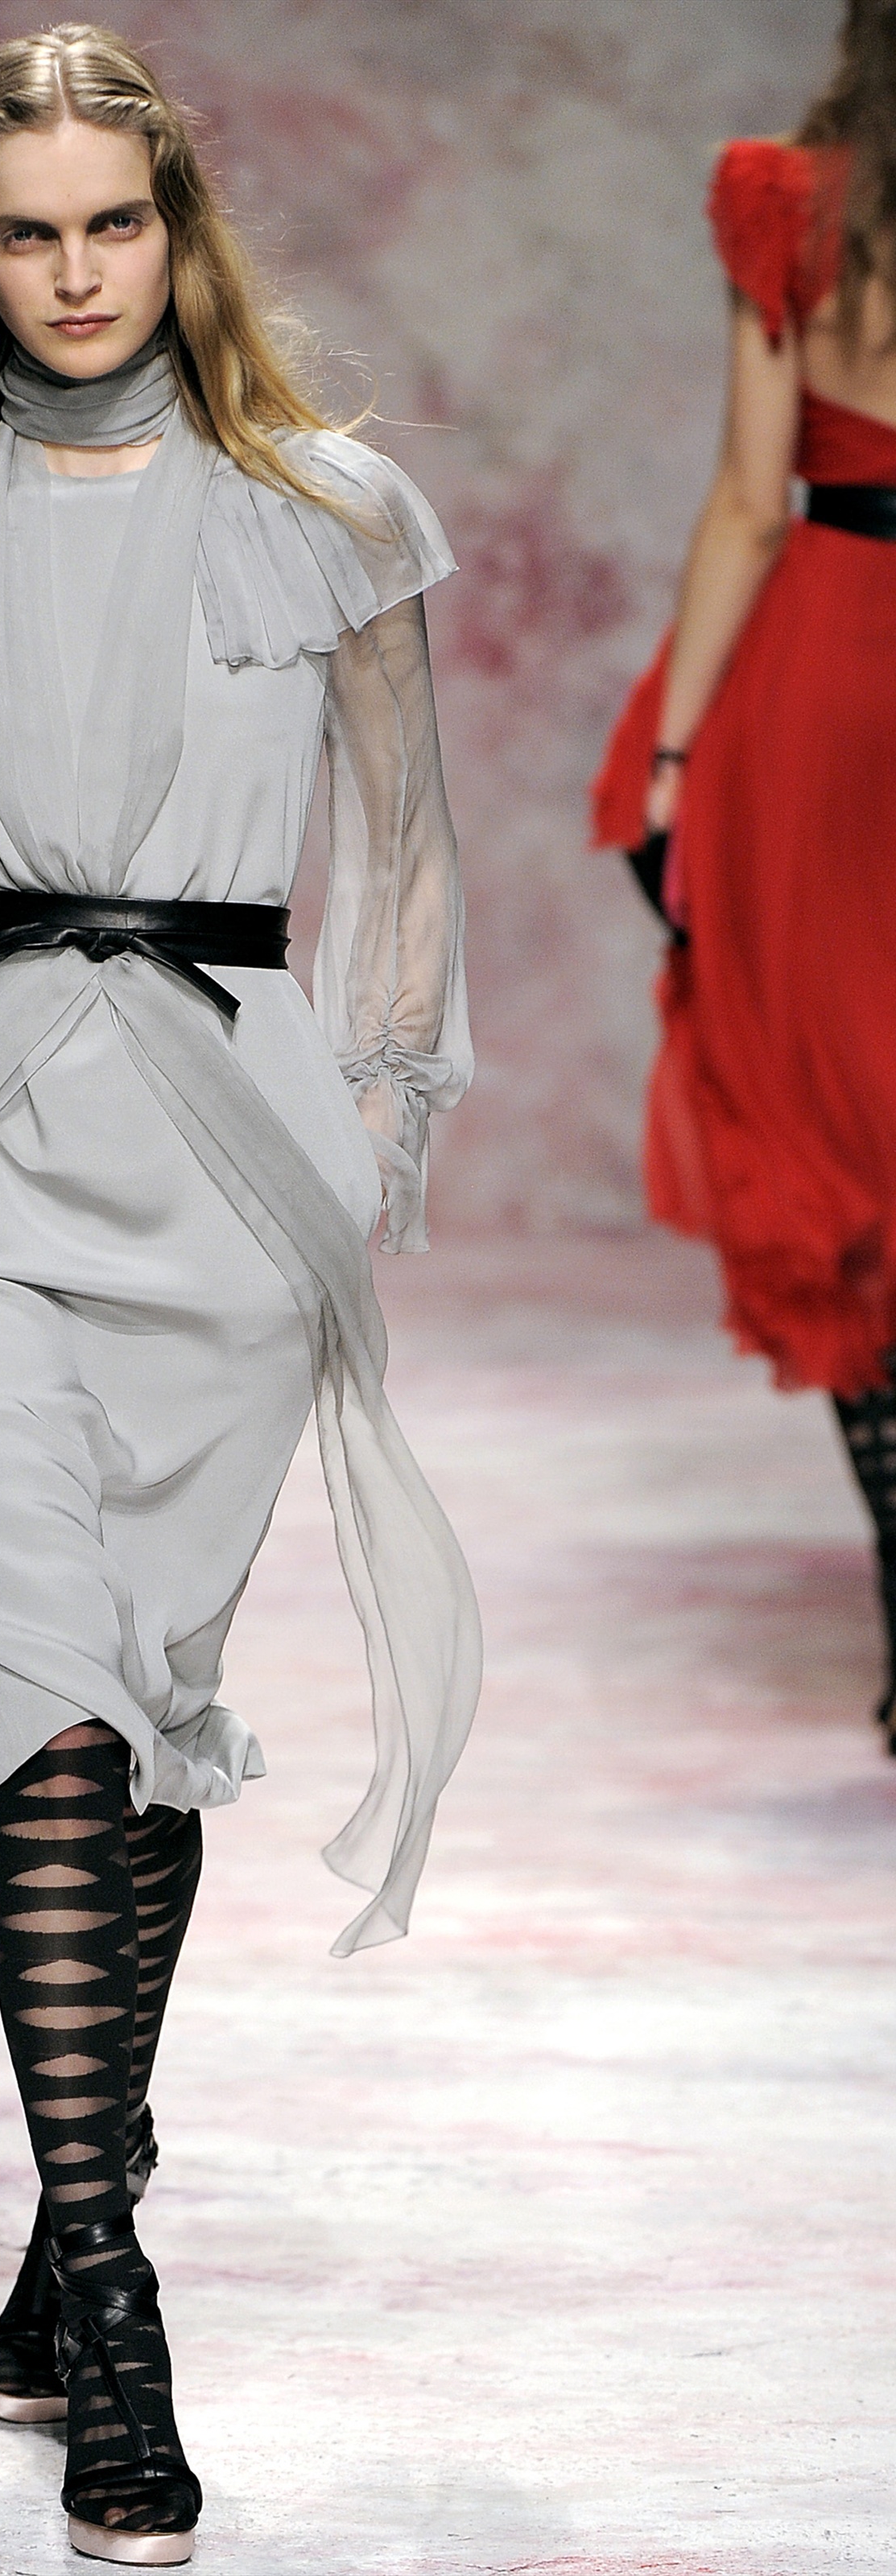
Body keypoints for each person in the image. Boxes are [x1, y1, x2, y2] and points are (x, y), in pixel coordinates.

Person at [0, 26, 480, 2564]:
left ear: (181, 234)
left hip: (229, 1159)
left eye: (114, 224)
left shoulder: (331, 512)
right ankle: (122, 2305)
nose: (74, 274)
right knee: (41, 1693)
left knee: (144, 1722)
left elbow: (407, 847)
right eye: (27, 232)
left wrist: (376, 1115)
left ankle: (60, 2237)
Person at [593, 0, 896, 1754]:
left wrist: (676, 758)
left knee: (840, 1132)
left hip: (826, 683)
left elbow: (747, 502)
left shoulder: (786, 202)